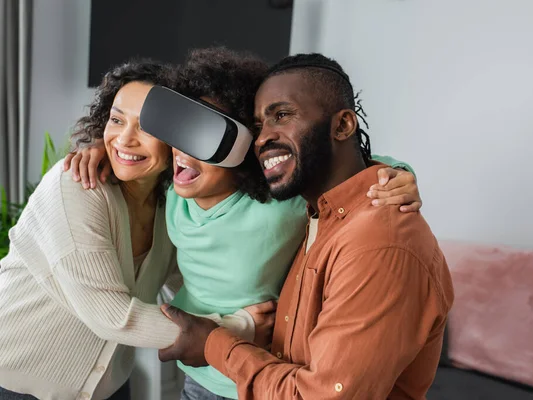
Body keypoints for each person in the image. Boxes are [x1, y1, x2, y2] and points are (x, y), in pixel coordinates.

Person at [66, 48, 424, 400]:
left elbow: (341, 169)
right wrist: (98, 148)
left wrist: (397, 175)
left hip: (250, 378)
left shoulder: (276, 205)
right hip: (196, 371)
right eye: (181, 133)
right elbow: (135, 158)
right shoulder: (171, 191)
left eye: (205, 137)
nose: (184, 151)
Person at [157, 53, 454, 400]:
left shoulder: (378, 243)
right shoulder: (318, 215)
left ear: (342, 125)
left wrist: (214, 343)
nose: (262, 139)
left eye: (282, 115)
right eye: (257, 127)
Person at [0, 61, 269, 400]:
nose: (124, 139)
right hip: (16, 385)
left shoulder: (170, 202)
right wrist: (237, 328)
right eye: (116, 120)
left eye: (147, 127)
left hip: (108, 387)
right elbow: (111, 316)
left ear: (180, 136)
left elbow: (181, 282)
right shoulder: (76, 186)